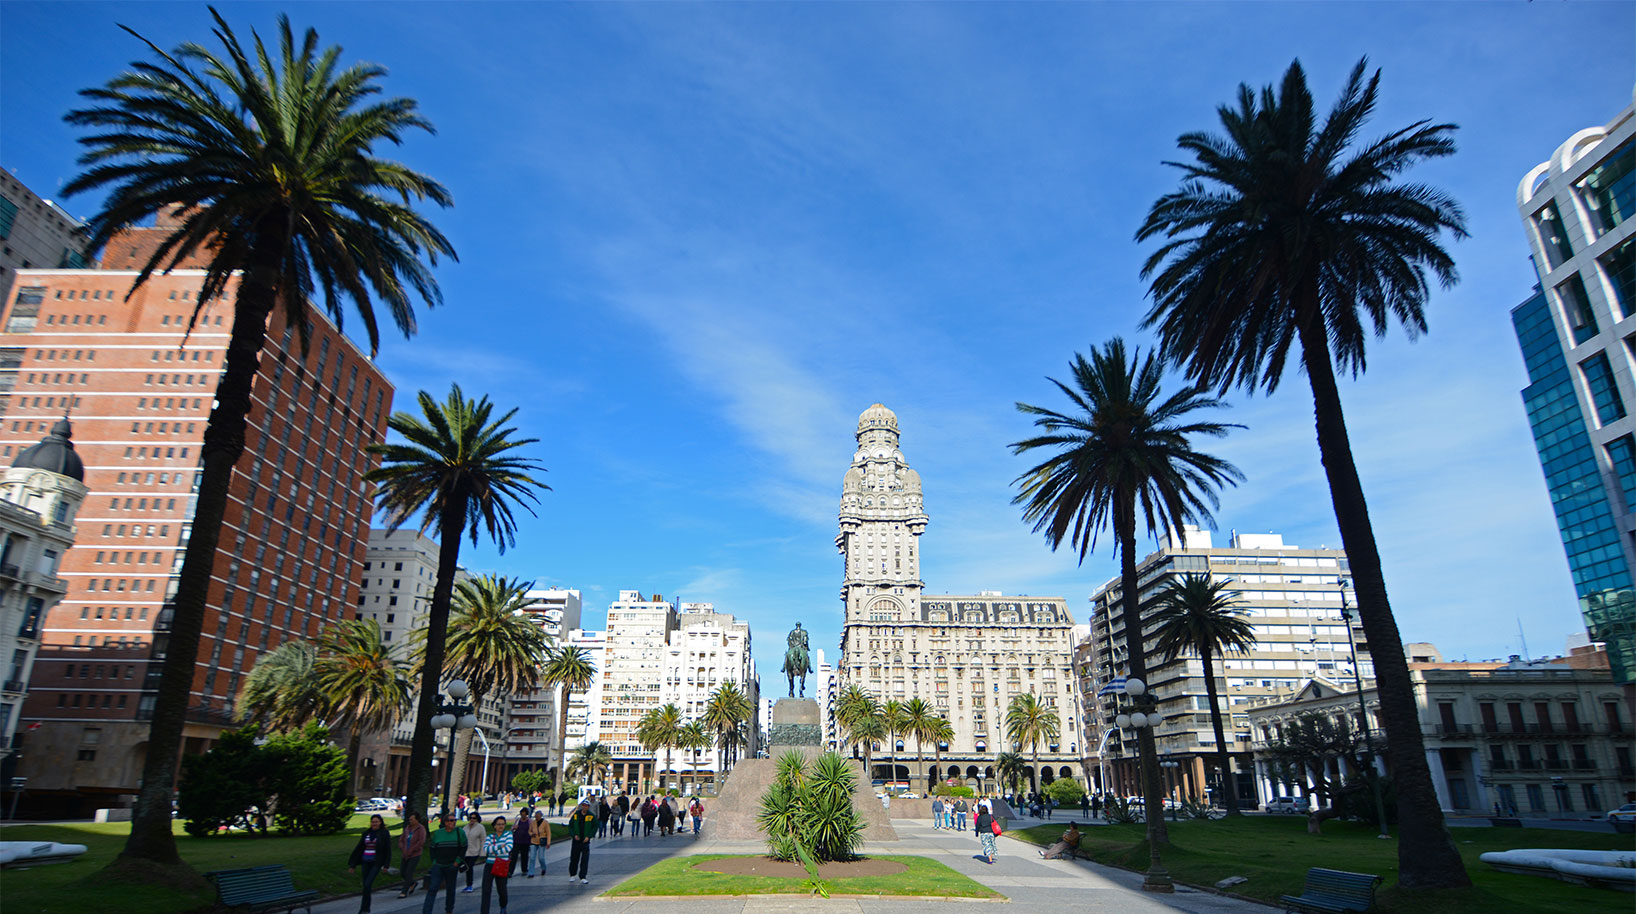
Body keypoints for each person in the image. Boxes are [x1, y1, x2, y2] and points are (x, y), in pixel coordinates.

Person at [348, 813, 393, 913]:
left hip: (376, 862)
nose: (374, 824)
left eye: (376, 822)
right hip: (365, 861)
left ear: (380, 823)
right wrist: (352, 865)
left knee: (368, 884)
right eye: (372, 822)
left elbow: (387, 850)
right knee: (365, 886)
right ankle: (365, 908)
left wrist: (386, 865)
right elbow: (359, 848)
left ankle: (364, 908)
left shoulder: (384, 833)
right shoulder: (366, 833)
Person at [421, 812, 464, 914]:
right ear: (445, 822)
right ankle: (426, 911)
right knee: (433, 888)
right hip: (439, 865)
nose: (453, 822)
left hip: (451, 865)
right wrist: (434, 862)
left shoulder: (460, 832)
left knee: (450, 889)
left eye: (455, 820)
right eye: (451, 820)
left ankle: (449, 909)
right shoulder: (438, 834)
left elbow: (463, 848)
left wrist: (457, 862)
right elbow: (432, 848)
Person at [480, 815, 513, 914]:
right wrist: (499, 846)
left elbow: (509, 847)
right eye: (498, 824)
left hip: (502, 864)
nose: (501, 826)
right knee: (486, 889)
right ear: (494, 826)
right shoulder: (490, 836)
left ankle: (503, 906)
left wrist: (494, 849)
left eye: (503, 824)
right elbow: (486, 849)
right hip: (490, 864)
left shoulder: (508, 834)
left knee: (501, 889)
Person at [396, 811, 426, 898]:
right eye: (409, 819)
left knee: (409, 872)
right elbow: (402, 839)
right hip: (405, 853)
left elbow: (421, 841)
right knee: (403, 872)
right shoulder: (407, 828)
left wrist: (412, 850)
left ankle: (404, 891)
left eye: (412, 819)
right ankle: (412, 883)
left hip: (415, 854)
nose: (410, 821)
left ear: (417, 820)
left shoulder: (421, 829)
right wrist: (402, 847)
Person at [567, 798, 597, 884]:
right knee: (574, 858)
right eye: (583, 805)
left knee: (584, 859)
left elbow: (595, 826)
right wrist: (574, 835)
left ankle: (583, 876)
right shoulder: (576, 815)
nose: (584, 807)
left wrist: (589, 836)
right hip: (576, 840)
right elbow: (571, 825)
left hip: (585, 841)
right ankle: (572, 874)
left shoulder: (591, 816)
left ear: (588, 807)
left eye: (586, 806)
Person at [460, 811, 486, 893]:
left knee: (469, 867)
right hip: (466, 852)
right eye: (470, 818)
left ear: (477, 819)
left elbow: (483, 840)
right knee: (466, 868)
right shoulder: (465, 827)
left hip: (475, 851)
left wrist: (482, 852)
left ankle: (469, 885)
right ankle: (468, 884)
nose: (472, 819)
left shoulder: (480, 828)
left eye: (474, 818)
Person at [510, 809, 534, 878]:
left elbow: (533, 830)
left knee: (524, 856)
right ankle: (510, 871)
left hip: (526, 841)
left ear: (526, 815)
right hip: (516, 841)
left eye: (524, 815)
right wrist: (514, 828)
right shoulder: (517, 821)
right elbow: (512, 829)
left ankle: (524, 870)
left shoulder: (530, 821)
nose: (523, 816)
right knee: (514, 856)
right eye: (521, 814)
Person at [530, 810, 549, 874]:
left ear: (541, 816)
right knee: (532, 857)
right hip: (533, 841)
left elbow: (548, 833)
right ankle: (531, 872)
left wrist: (548, 842)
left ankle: (543, 868)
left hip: (541, 841)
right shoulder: (533, 822)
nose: (536, 817)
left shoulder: (545, 823)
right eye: (536, 816)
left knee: (541, 857)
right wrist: (531, 834)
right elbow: (529, 831)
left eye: (538, 816)